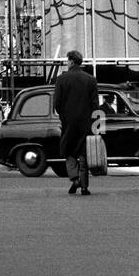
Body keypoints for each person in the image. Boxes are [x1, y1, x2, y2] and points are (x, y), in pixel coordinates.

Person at [53, 49, 100, 195]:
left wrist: (63, 116)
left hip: (68, 122)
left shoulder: (61, 79)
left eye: (67, 61)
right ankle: (84, 186)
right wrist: (97, 126)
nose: (67, 63)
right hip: (86, 123)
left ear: (71, 61)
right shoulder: (90, 79)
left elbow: (57, 103)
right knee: (84, 154)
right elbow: (95, 105)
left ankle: (75, 179)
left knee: (69, 152)